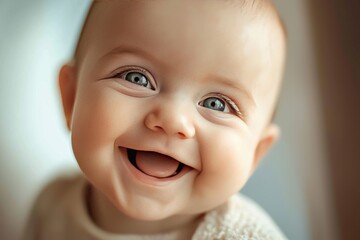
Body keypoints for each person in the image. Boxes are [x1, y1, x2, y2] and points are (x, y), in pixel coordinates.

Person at [24, 0, 287, 239]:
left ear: (256, 153)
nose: (173, 120)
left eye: (216, 104)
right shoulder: (51, 207)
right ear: (71, 98)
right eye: (136, 78)